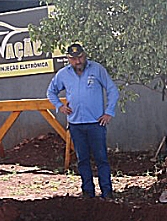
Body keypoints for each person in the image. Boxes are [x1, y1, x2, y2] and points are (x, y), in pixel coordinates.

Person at [47, 43, 120, 199]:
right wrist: (59, 106)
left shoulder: (97, 69)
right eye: (73, 59)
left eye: (80, 57)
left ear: (85, 55)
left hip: (96, 124)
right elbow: (51, 91)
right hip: (75, 125)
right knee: (83, 160)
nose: (78, 61)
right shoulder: (63, 74)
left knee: (101, 159)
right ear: (68, 59)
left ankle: (107, 192)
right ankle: (88, 193)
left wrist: (109, 112)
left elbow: (112, 90)